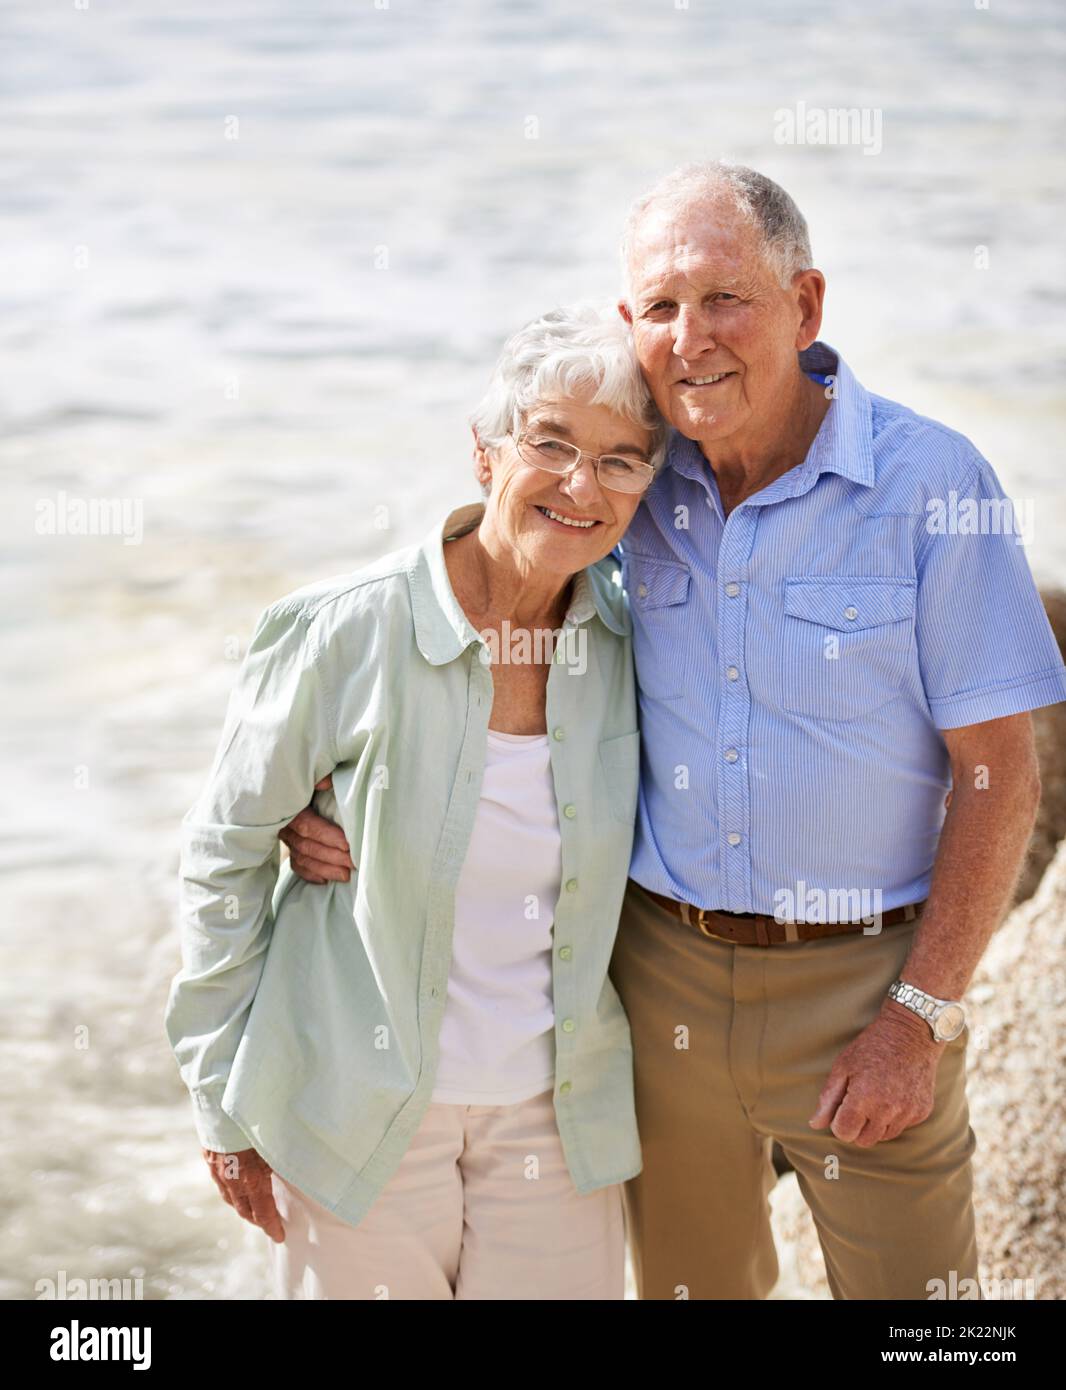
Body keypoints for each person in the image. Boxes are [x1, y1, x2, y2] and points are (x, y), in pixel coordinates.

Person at [288, 162, 1066, 1300]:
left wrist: (918, 1014)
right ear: (627, 324)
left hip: (869, 978)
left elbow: (1003, 771)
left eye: (724, 298)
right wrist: (340, 783)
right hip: (656, 981)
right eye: (659, 306)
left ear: (804, 305)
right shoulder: (626, 477)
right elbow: (483, 597)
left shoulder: (931, 484)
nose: (690, 337)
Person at [164, 301, 668, 1299]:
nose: (580, 484)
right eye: (551, 444)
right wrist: (220, 1102)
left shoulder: (636, 641)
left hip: (552, 1117)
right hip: (353, 1108)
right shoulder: (347, 633)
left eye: (620, 459)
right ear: (485, 454)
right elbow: (223, 851)